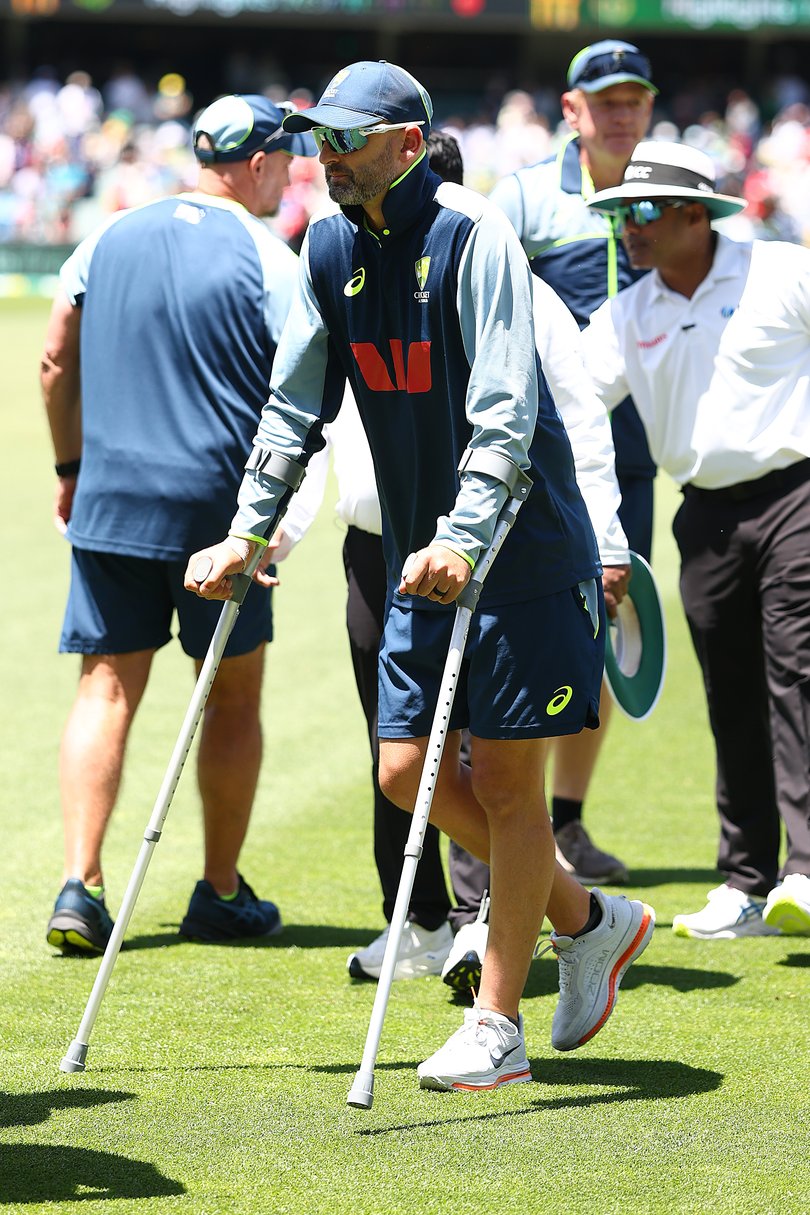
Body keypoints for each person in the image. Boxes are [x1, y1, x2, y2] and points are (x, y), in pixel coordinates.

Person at [185, 60, 654, 1092]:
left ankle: (498, 1025)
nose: (326, 158)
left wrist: (463, 535)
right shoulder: (329, 242)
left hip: (512, 555)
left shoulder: (474, 233)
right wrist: (246, 532)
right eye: (318, 140)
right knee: (404, 772)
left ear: (408, 143)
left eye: (345, 140)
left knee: (507, 788)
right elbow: (290, 407)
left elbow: (504, 411)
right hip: (416, 560)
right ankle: (588, 920)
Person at [41, 93, 317, 955]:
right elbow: (302, 397)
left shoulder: (107, 234)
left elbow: (56, 359)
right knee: (231, 698)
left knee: (104, 687)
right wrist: (272, 522)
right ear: (261, 162)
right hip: (220, 515)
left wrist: (70, 469)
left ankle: (79, 885)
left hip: (110, 500)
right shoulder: (272, 257)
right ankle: (221, 890)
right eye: (288, 157)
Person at [580, 139, 810, 940]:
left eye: (642, 212)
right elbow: (569, 405)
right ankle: (746, 880)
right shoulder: (626, 313)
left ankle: (806, 870)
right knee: (731, 691)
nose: (628, 228)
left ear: (693, 215)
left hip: (797, 497)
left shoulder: (781, 271)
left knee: (796, 671)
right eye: (619, 213)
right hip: (703, 514)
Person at [489, 39, 658, 886]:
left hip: (633, 453)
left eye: (635, 98)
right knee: (533, 631)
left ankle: (568, 823)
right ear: (572, 109)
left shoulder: (669, 189)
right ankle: (509, 815)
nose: (622, 112)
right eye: (607, 99)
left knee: (607, 631)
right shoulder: (520, 198)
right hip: (545, 459)